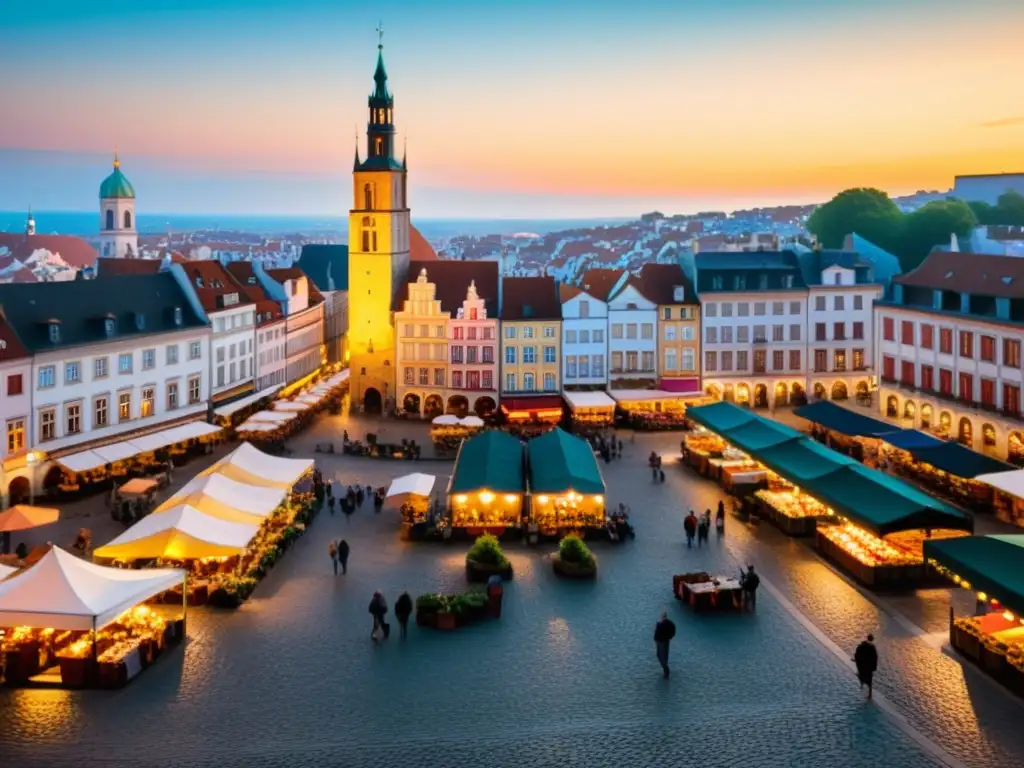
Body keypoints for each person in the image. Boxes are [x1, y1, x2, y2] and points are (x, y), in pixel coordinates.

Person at [854, 634, 878, 699]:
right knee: (869, 680)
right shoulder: (872, 647)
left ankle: (862, 683)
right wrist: (874, 667)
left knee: (861, 675)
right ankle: (870, 694)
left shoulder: (860, 647)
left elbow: (856, 655)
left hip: (863, 666)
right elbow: (875, 657)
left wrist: (856, 661)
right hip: (868, 667)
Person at [653, 611, 677, 678]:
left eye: (663, 616)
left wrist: (669, 637)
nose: (662, 617)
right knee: (658, 655)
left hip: (664, 641)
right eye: (662, 616)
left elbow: (673, 630)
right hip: (659, 641)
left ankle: (666, 670)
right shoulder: (659, 623)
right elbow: (656, 631)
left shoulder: (669, 624)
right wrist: (655, 638)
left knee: (663, 656)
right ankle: (665, 667)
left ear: (665, 617)